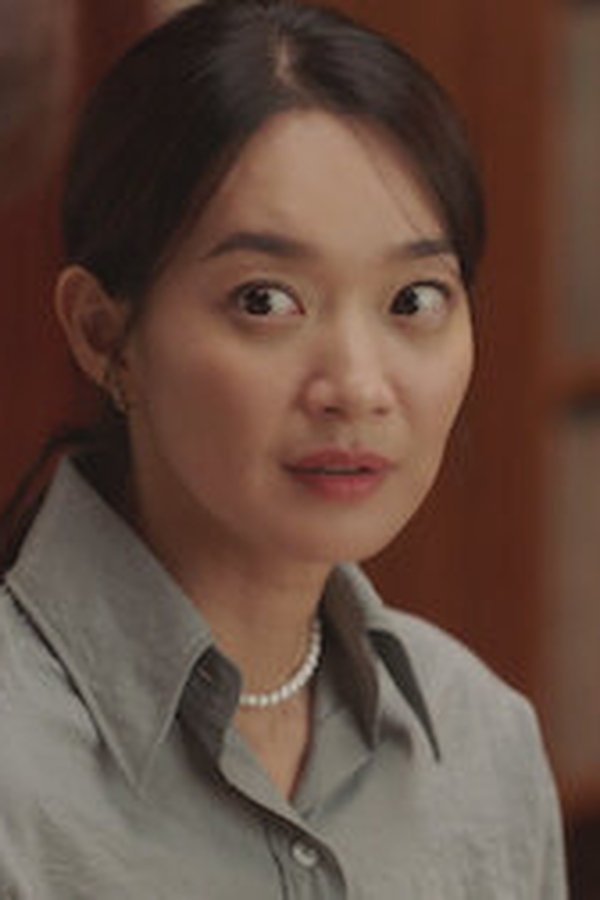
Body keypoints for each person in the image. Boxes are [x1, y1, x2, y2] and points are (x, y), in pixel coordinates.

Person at [0, 0, 567, 896]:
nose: (357, 386)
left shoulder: (481, 741)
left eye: (413, 300)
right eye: (265, 300)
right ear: (103, 333)